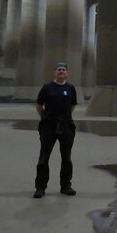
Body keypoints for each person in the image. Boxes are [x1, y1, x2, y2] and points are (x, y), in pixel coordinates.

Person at [32, 62, 77, 198]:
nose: (61, 71)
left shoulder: (70, 88)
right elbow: (39, 106)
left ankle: (66, 186)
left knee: (67, 158)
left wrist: (66, 118)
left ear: (67, 73)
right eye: (59, 69)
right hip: (49, 126)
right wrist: (45, 118)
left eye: (64, 70)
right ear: (55, 72)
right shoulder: (47, 88)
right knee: (44, 157)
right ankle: (40, 187)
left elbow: (73, 106)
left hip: (66, 126)